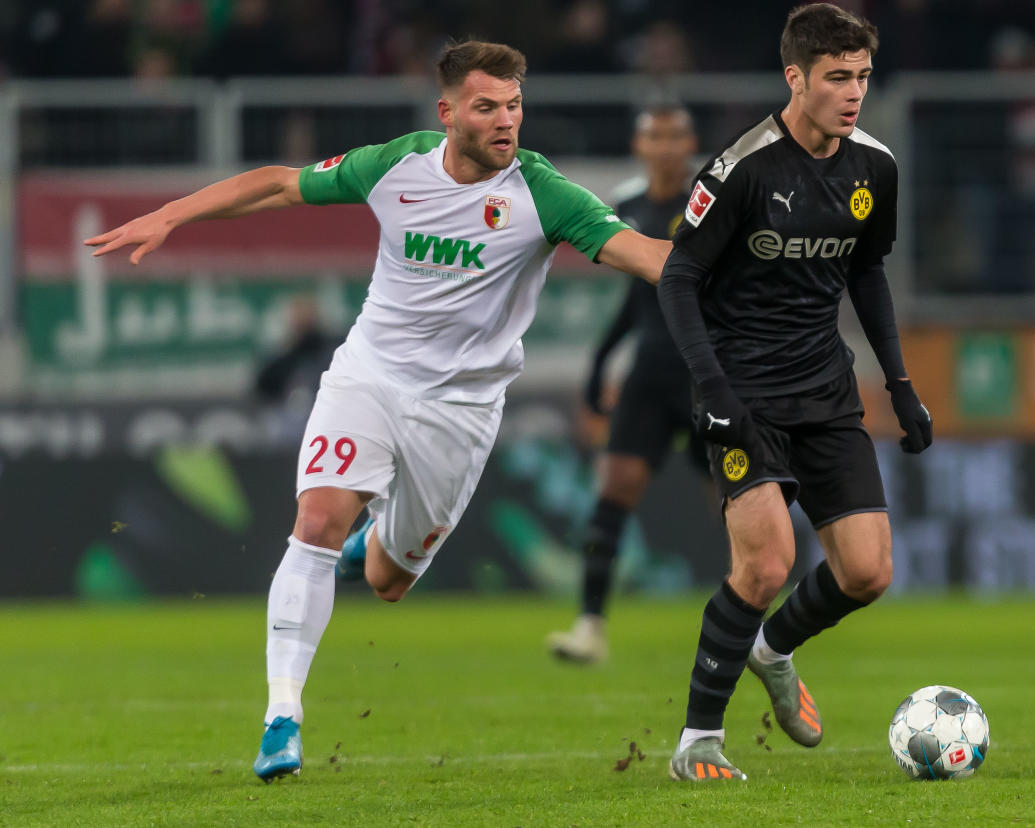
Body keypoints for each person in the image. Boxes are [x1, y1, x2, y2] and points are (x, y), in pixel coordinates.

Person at [84, 40, 672, 783]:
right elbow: (277, 184)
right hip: (369, 377)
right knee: (315, 522)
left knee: (390, 581)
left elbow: (647, 257)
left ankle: (376, 550)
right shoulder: (397, 165)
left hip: (459, 412)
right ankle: (281, 718)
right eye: (487, 106)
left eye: (514, 106)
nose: (505, 121)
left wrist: (735, 267)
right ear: (448, 111)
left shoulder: (543, 194)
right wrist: (171, 215)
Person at [656, 3, 933, 781]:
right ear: (795, 78)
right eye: (837, 78)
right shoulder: (744, 166)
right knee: (765, 564)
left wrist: (900, 386)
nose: (853, 93)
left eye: (862, 77)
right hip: (740, 392)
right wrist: (709, 385)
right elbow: (678, 276)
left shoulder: (873, 166)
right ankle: (696, 743)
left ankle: (772, 650)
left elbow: (866, 273)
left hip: (824, 389)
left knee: (867, 572)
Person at [545, 104, 704, 663]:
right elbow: (640, 299)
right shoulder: (629, 207)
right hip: (650, 373)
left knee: (744, 504)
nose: (663, 145)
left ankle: (764, 631)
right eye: (653, 135)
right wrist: (601, 361)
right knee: (612, 493)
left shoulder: (710, 205)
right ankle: (590, 626)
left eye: (673, 135)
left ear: (691, 145)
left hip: (708, 372)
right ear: (639, 146)